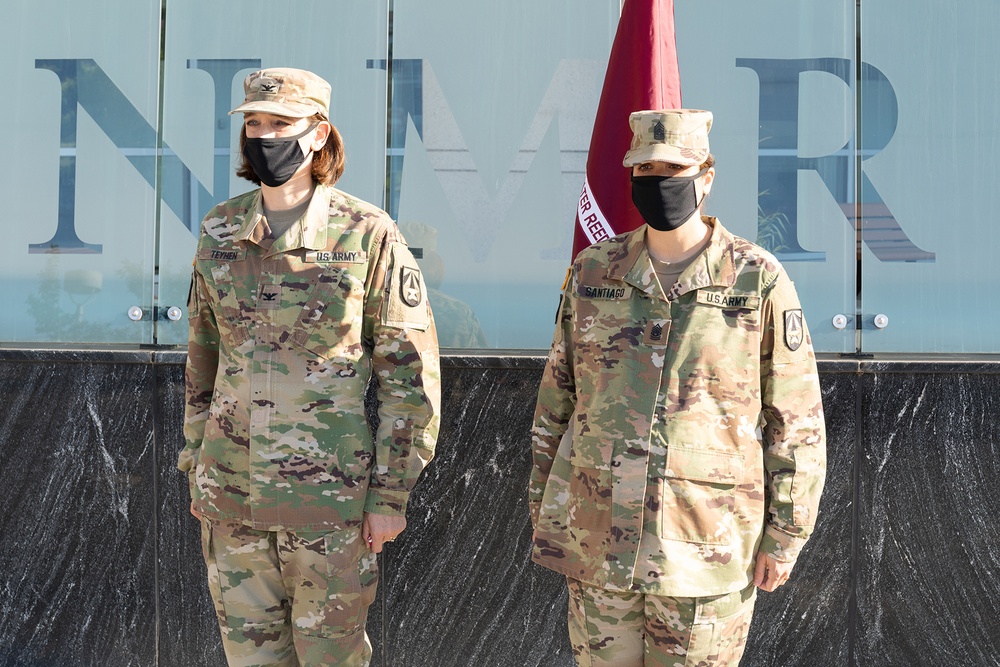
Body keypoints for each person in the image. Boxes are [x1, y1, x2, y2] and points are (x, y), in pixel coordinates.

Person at [529, 109, 826, 666]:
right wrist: (547, 510)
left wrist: (786, 535)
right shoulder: (595, 271)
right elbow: (558, 400)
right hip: (600, 541)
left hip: (705, 547)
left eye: (674, 168)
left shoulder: (755, 278)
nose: (658, 181)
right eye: (645, 169)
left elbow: (795, 416)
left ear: (706, 178)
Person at [178, 67, 440, 667]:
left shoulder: (368, 234)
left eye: (281, 124)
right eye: (254, 123)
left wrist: (390, 494)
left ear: (318, 133)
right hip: (232, 494)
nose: (265, 136)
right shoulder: (221, 230)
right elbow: (202, 358)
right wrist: (196, 462)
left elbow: (409, 378)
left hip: (329, 501)